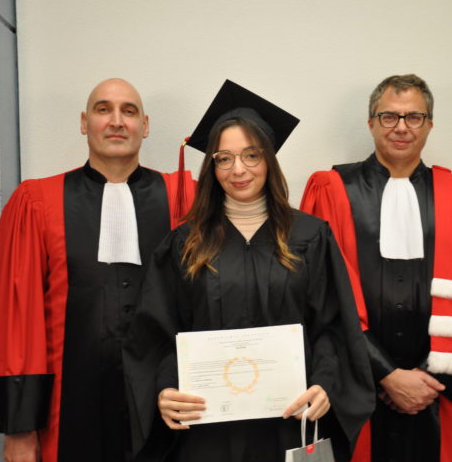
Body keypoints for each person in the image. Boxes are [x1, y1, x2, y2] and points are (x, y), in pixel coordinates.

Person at [123, 80, 374, 462]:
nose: (237, 169)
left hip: (289, 420)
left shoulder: (310, 236)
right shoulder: (185, 243)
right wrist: (164, 389)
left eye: (251, 155)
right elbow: (158, 333)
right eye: (224, 158)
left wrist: (326, 384)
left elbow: (333, 327)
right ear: (212, 166)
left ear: (269, 160)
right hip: (207, 431)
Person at [0, 78, 196, 462]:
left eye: (129, 111)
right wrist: (19, 426)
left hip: (166, 406)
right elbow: (14, 316)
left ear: (145, 126)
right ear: (84, 122)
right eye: (103, 109)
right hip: (67, 407)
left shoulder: (183, 198)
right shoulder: (37, 201)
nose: (117, 121)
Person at [300, 74, 452, 462]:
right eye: (389, 116)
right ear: (371, 123)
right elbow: (325, 294)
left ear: (430, 124)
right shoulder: (332, 190)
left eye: (414, 117)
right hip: (359, 385)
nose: (401, 127)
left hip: (443, 392)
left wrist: (427, 380)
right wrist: (387, 375)